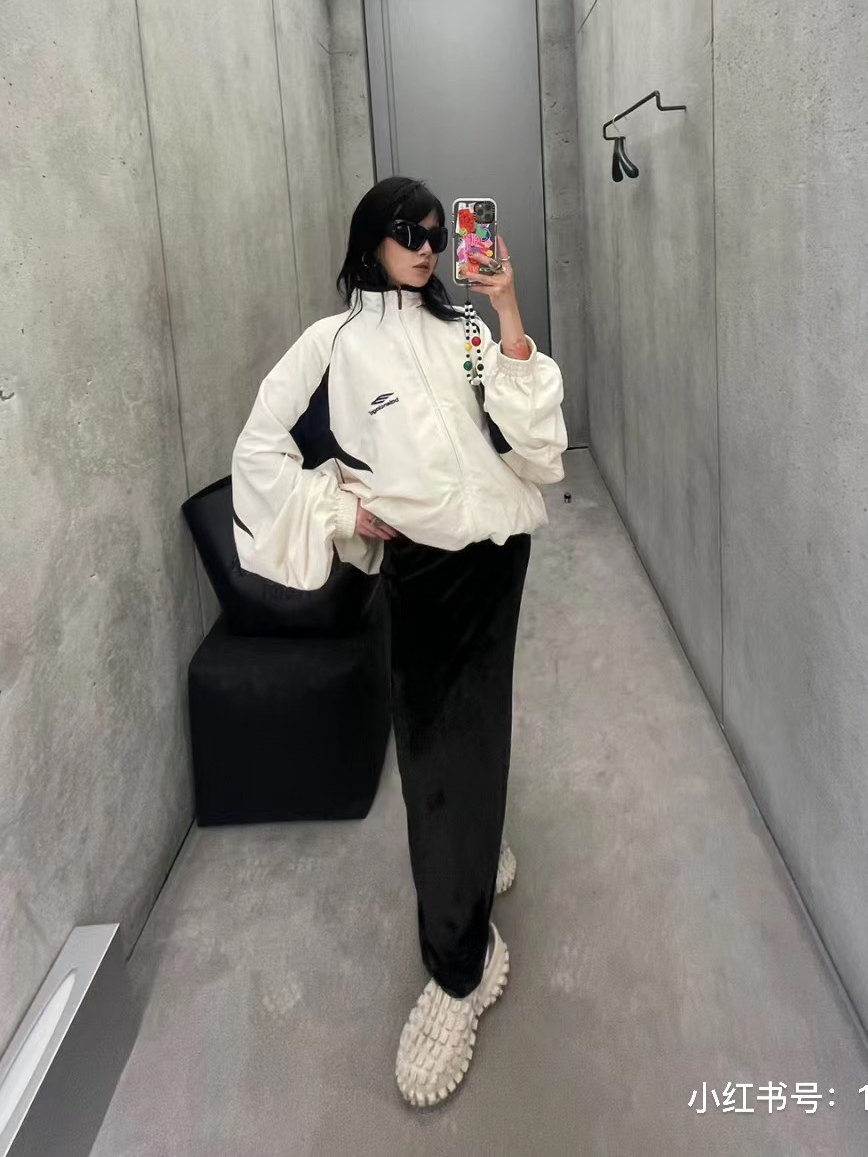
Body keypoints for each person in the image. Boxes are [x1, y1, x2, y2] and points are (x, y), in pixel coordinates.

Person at [230, 174, 568, 1107]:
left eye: (433, 234)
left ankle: (466, 924)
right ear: (368, 241)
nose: (424, 248)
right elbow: (258, 449)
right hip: (423, 570)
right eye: (405, 233)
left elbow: (527, 439)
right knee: (429, 753)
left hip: (499, 557)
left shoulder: (461, 329)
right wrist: (341, 507)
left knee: (475, 726)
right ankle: (463, 955)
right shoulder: (331, 345)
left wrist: (506, 309)